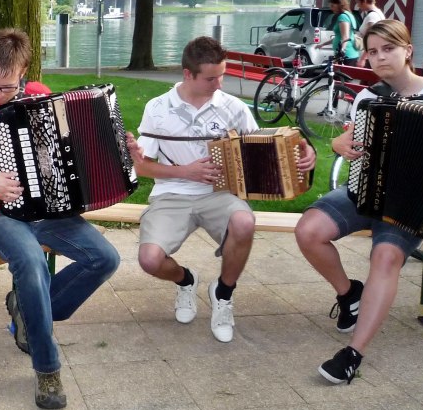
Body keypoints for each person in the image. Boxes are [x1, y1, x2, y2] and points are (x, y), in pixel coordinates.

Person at [294, 19, 423, 384]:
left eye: (388, 49)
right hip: (364, 192)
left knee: (385, 256)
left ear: (408, 51)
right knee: (308, 230)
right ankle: (350, 294)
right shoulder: (369, 98)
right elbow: (346, 142)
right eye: (373, 51)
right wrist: (337, 145)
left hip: (409, 207)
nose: (380, 58)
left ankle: (353, 354)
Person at [0, 28, 120, 409]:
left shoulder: (40, 97)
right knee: (30, 262)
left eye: (7, 87)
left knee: (105, 259)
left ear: (24, 71)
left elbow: (64, 151)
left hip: (47, 211)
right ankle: (47, 370)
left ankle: (28, 307)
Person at [133, 36, 315, 342]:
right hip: (171, 194)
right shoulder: (158, 108)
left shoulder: (232, 107)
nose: (219, 84)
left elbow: (267, 147)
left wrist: (304, 150)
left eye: (222, 75)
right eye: (211, 78)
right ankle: (186, 280)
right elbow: (141, 166)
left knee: (245, 221)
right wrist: (185, 172)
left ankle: (223, 294)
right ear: (188, 74)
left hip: (220, 194)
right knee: (149, 260)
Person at [353, 0, 385, 67]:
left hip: (371, 57)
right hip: (374, 55)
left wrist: (363, 59)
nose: (358, 6)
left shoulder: (372, 17)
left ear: (364, 1)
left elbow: (371, 40)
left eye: (358, 3)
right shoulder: (378, 13)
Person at [329, 0, 359, 66]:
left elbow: (345, 36)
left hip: (346, 55)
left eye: (332, 5)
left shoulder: (343, 17)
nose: (331, 8)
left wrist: (342, 51)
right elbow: (339, 36)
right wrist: (322, 44)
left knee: (339, 76)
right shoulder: (348, 14)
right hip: (349, 53)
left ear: (339, 4)